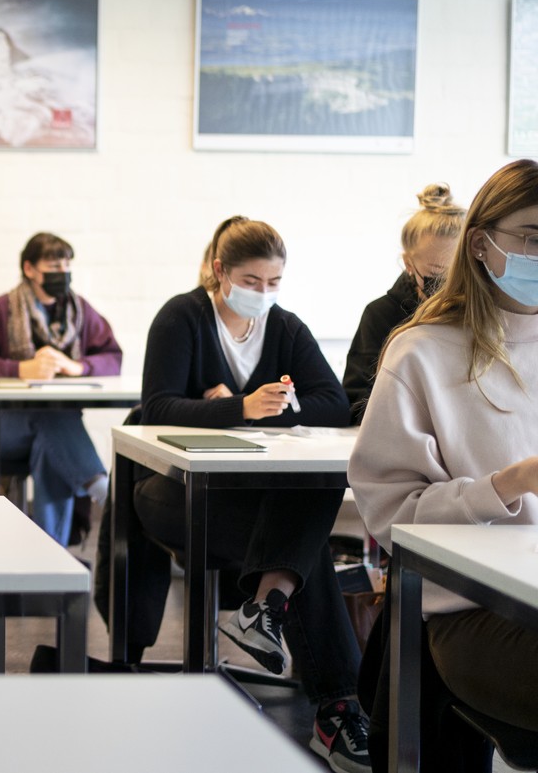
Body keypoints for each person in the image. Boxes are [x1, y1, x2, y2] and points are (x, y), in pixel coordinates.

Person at [99, 216, 368, 773]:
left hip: (253, 499)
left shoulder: (285, 328)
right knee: (303, 545)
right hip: (168, 492)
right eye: (251, 281)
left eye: (273, 284)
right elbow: (158, 408)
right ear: (220, 271)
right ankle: (337, 707)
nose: (262, 295)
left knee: (319, 482)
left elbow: (334, 404)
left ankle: (266, 613)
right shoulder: (182, 317)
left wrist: (274, 408)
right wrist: (244, 406)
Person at [351, 159, 538, 738]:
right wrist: (507, 485)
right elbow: (391, 513)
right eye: (533, 239)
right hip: (474, 610)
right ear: (480, 245)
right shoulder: (421, 352)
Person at [0, 232, 122, 545]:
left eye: (67, 265)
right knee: (53, 420)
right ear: (29, 269)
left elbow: (113, 357)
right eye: (54, 265)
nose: (62, 272)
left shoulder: (80, 311)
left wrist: (79, 367)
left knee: (51, 441)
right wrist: (18, 369)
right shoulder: (3, 309)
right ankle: (107, 495)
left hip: (51, 430)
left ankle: (50, 555)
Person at [343, 183, 466, 424]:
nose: (451, 287)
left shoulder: (489, 313)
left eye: (460, 274)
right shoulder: (380, 315)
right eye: (438, 274)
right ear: (409, 264)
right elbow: (356, 402)